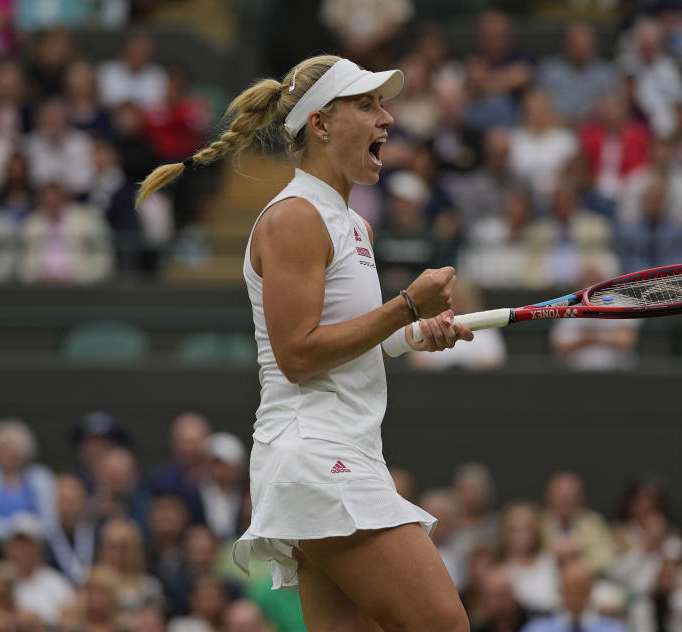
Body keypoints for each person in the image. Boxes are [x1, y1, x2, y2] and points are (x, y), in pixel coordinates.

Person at [136, 54, 473, 630]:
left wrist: (409, 333)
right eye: (366, 105)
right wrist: (405, 306)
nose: (386, 118)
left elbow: (341, 343)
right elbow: (296, 355)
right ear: (320, 124)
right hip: (316, 454)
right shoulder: (294, 216)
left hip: (335, 451)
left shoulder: (354, 225)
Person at [0, 419, 56, 542]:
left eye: (12, 451)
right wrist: (14, 531)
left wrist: (28, 531)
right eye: (2, 450)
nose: (6, 455)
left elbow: (50, 520)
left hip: (35, 543)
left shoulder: (42, 477)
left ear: (25, 452)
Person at [540, 472, 615, 576]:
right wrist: (553, 558)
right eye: (560, 497)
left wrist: (577, 560)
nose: (564, 501)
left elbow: (605, 559)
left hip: (587, 581)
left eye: (569, 496)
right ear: (549, 498)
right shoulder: (538, 523)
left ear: (580, 499)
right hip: (546, 580)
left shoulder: (594, 523)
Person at [520, 561, 628, 632]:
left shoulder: (614, 629)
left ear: (590, 591)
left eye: (580, 589)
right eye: (569, 589)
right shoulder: (537, 629)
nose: (575, 596)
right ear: (560, 591)